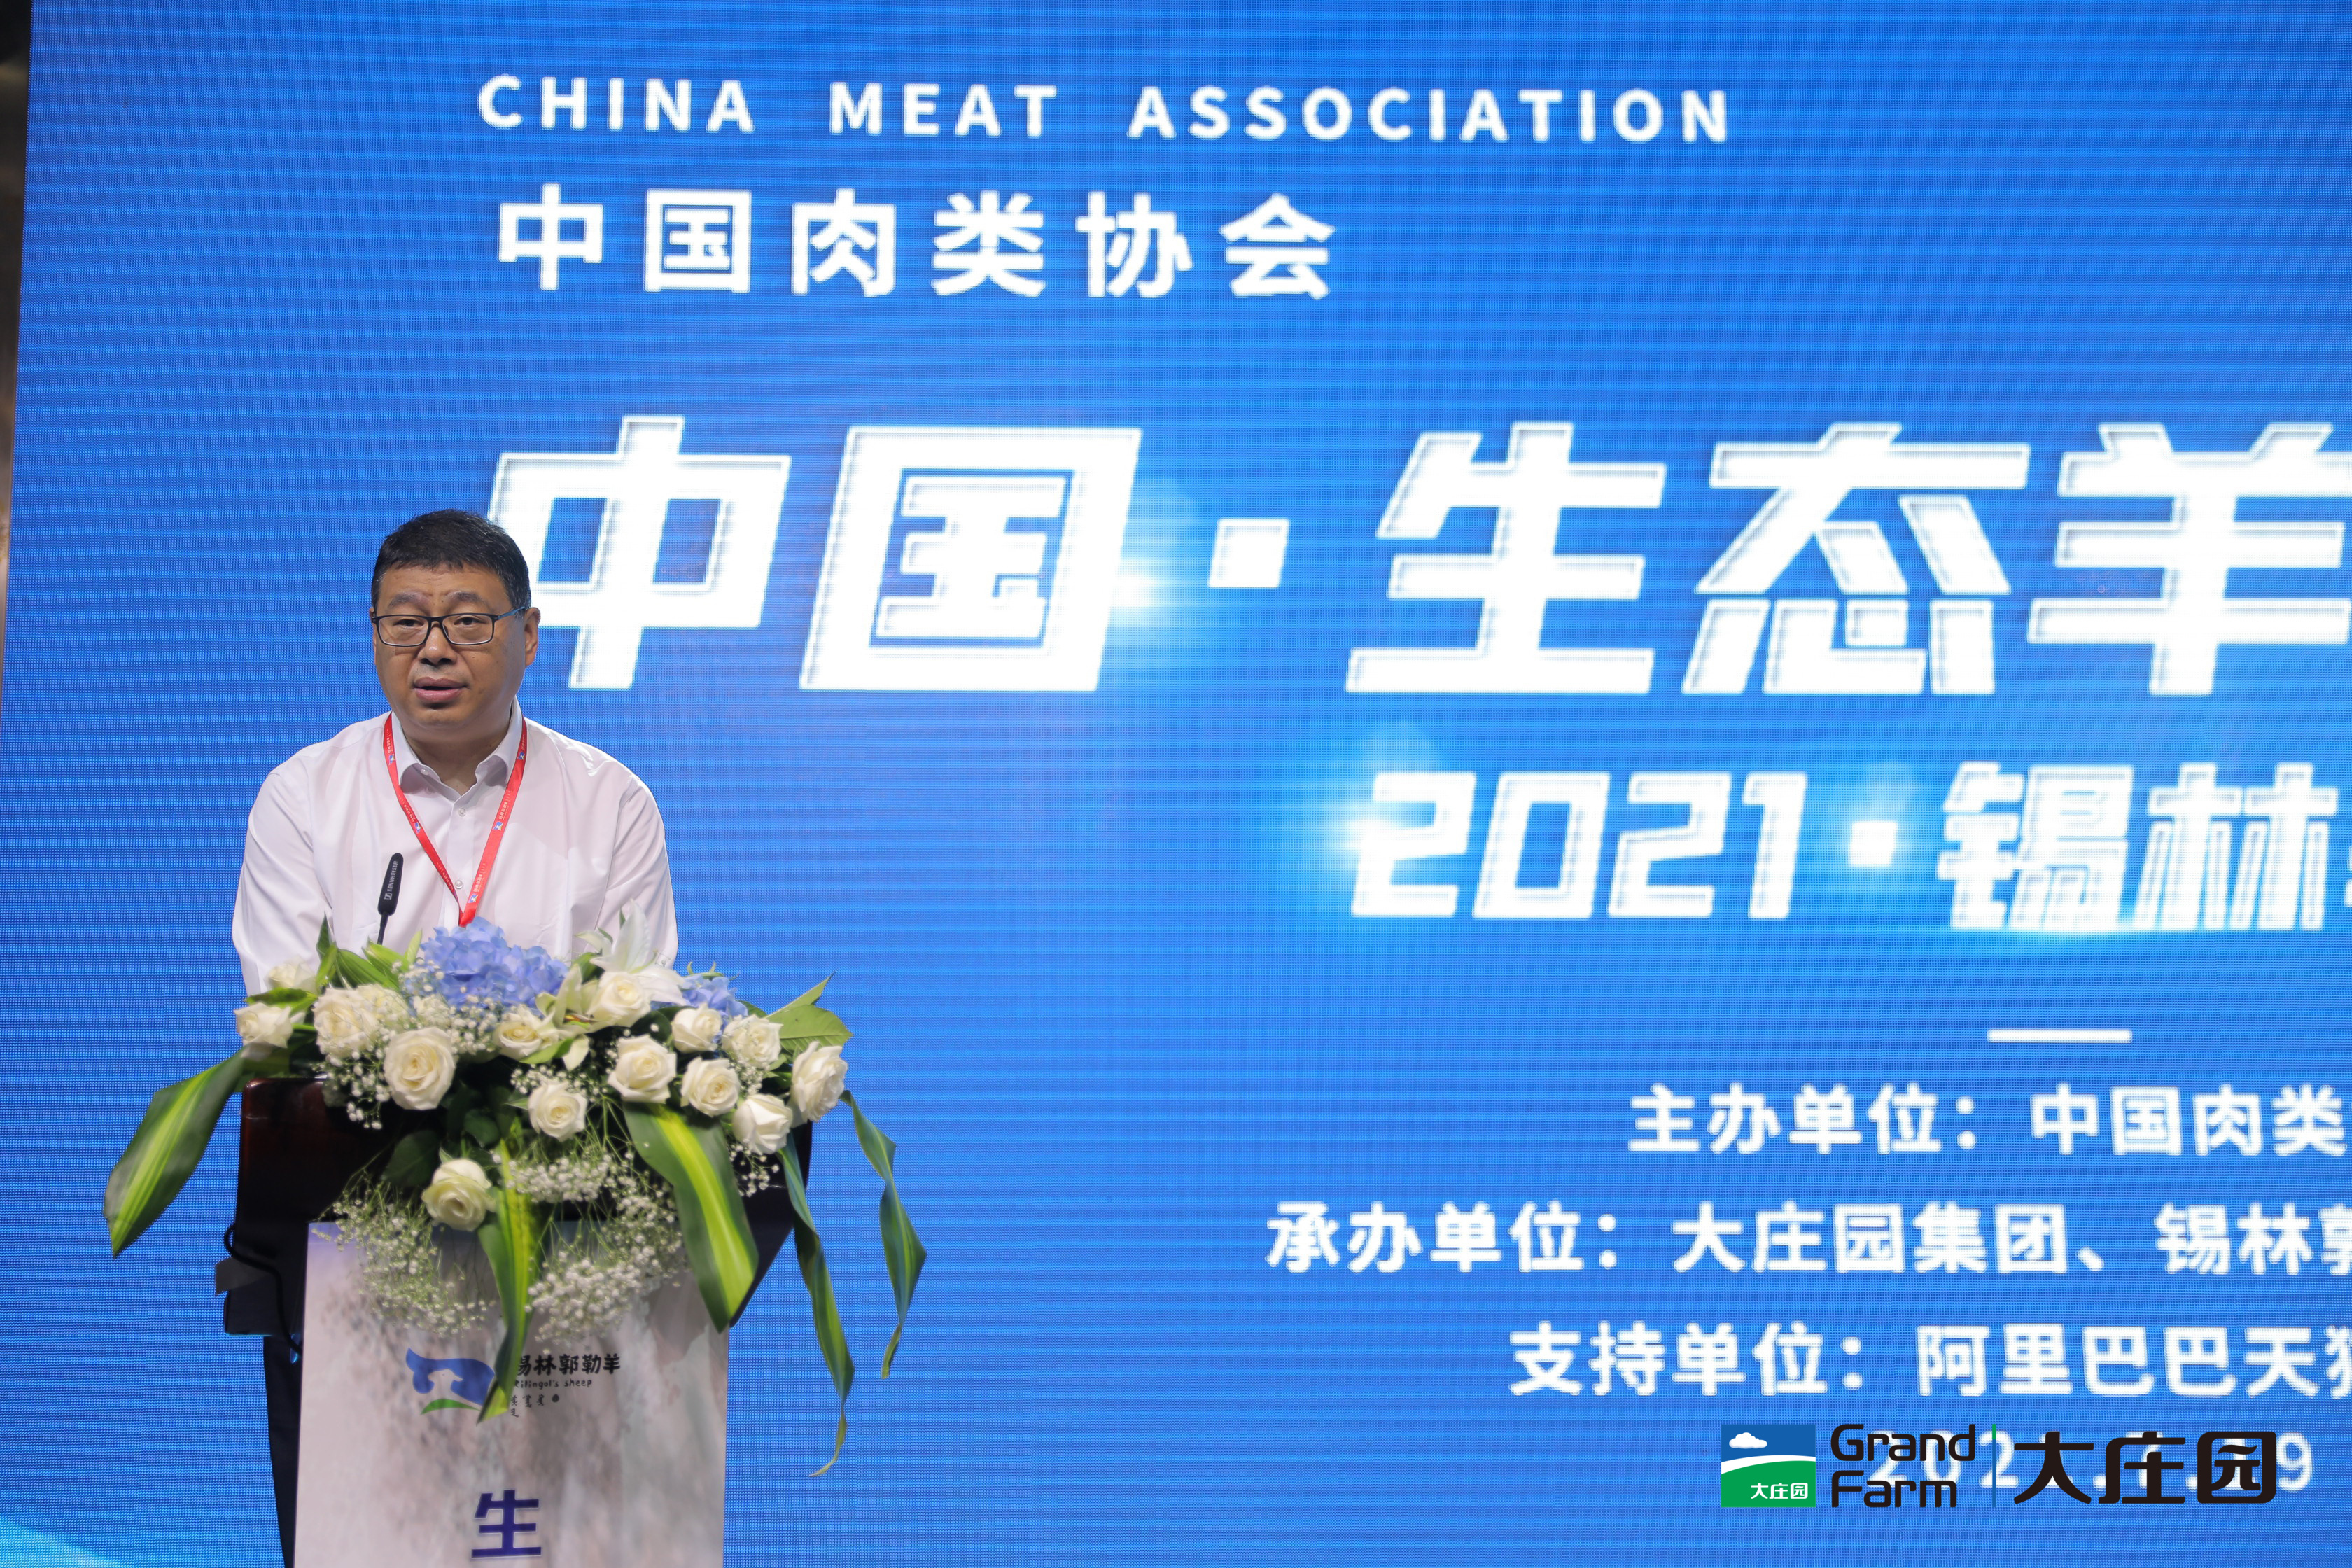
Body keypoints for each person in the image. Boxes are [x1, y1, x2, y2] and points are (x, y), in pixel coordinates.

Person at [226, 508, 678, 1564]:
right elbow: (286, 1012)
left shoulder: (609, 801)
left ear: (529, 635)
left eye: (469, 621)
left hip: (563, 1245)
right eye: (406, 622)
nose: (434, 649)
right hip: (353, 1235)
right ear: (374, 633)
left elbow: (638, 1009)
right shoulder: (307, 795)